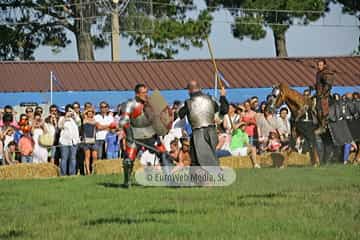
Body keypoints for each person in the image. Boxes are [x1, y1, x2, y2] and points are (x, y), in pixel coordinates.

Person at [118, 83, 173, 188]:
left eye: (146, 92)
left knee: (164, 154)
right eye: (143, 93)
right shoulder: (130, 104)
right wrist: (127, 132)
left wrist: (163, 127)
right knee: (128, 160)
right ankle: (127, 181)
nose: (146, 95)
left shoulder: (151, 103)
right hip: (135, 135)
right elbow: (124, 120)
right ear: (137, 94)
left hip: (151, 134)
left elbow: (162, 117)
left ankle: (169, 180)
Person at [178, 80, 229, 168]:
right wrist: (223, 96)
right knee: (210, 157)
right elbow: (224, 110)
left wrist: (183, 108)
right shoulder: (210, 99)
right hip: (212, 133)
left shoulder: (188, 102)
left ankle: (201, 179)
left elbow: (180, 114)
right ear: (200, 88)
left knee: (197, 160)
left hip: (198, 133)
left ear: (189, 90)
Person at [58, 104, 80, 176]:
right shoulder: (62, 118)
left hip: (74, 142)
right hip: (64, 142)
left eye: (71, 110)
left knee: (73, 159)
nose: (69, 112)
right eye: (68, 110)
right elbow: (59, 126)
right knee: (64, 159)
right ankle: (63, 174)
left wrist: (74, 113)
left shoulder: (75, 118)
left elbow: (79, 123)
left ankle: (72, 174)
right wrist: (65, 117)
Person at [314, 59, 335, 134]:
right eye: (318, 65)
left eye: (320, 65)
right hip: (318, 94)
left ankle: (323, 126)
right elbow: (319, 85)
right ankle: (319, 124)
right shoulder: (318, 73)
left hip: (324, 95)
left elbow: (328, 85)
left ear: (324, 65)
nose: (319, 66)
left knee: (321, 110)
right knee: (315, 108)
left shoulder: (326, 73)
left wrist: (322, 94)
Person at [82, 107, 98, 175]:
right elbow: (82, 113)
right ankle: (88, 171)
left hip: (93, 140)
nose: (90, 113)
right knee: (87, 156)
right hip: (86, 140)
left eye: (91, 112)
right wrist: (88, 109)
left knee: (95, 156)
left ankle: (93, 170)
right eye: (89, 112)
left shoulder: (94, 120)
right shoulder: (85, 120)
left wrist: (92, 110)